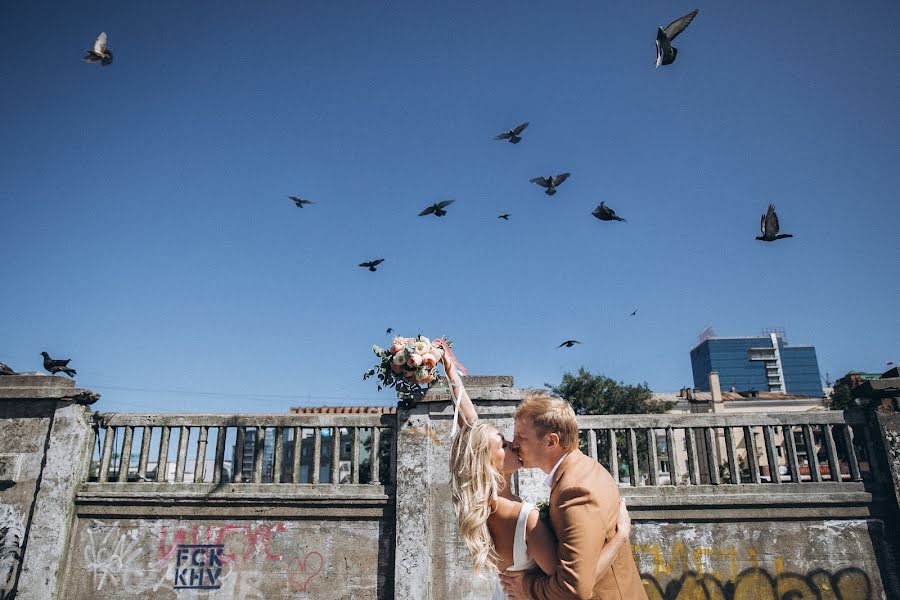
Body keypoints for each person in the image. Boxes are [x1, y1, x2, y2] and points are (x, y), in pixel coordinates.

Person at [438, 343, 632, 600]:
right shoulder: (525, 518)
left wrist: (452, 376)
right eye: (505, 444)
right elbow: (571, 589)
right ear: (487, 462)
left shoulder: (483, 504)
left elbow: (471, 429)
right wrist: (620, 539)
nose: (514, 444)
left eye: (516, 439)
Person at [499, 391, 647, 600]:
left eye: (521, 437)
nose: (514, 444)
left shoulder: (575, 491)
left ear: (551, 442)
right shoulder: (583, 469)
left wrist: (527, 587)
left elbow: (574, 588)